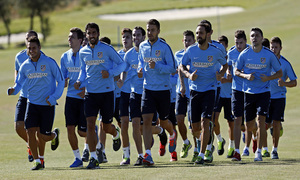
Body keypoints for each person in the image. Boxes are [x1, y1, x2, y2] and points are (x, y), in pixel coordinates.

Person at [74, 22, 125, 169]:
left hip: (107, 93)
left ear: (98, 34)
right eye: (89, 33)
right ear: (86, 35)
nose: (91, 36)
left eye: (94, 33)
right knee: (90, 125)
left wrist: (110, 73)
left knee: (106, 126)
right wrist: (79, 81)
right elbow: (83, 71)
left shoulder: (107, 49)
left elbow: (122, 65)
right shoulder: (83, 52)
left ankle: (115, 133)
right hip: (90, 93)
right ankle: (94, 158)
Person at [8, 36, 63, 170]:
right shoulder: (25, 65)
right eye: (29, 48)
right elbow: (19, 83)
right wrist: (13, 90)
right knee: (30, 131)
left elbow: (60, 81)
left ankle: (54, 135)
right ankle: (37, 161)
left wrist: (54, 97)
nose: (31, 51)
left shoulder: (49, 62)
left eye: (34, 48)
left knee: (44, 136)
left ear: (39, 48)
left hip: (47, 105)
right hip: (31, 104)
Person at [181, 23, 228, 165]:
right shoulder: (190, 50)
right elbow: (182, 66)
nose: (198, 35)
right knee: (195, 128)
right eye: (196, 33)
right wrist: (189, 75)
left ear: (207, 34)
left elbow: (225, 64)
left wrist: (220, 74)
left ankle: (202, 154)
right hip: (195, 90)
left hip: (210, 89)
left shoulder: (215, 51)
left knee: (205, 122)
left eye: (200, 33)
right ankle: (206, 143)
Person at [235, 28, 282, 162]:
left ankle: (259, 152)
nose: (254, 38)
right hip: (249, 93)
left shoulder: (268, 54)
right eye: (252, 36)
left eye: (257, 36)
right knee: (249, 125)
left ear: (261, 38)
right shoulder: (244, 54)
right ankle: (256, 136)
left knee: (261, 121)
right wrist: (246, 75)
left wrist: (268, 78)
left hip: (264, 92)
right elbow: (236, 71)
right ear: (250, 39)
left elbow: (279, 73)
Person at [137, 19, 176, 165]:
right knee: (146, 121)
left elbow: (172, 68)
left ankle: (172, 134)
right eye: (148, 30)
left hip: (163, 90)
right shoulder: (142, 46)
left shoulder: (165, 47)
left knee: (164, 121)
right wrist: (139, 70)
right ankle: (148, 154)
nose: (150, 33)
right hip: (148, 89)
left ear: (158, 31)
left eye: (153, 30)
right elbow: (141, 62)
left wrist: (157, 66)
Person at [14, 30, 46, 165]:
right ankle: (30, 144)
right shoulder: (19, 56)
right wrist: (16, 86)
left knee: (38, 131)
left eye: (31, 40)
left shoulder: (43, 57)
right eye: (27, 39)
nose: (29, 42)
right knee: (18, 126)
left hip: (37, 98)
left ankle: (40, 157)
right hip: (24, 96)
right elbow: (17, 73)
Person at [60, 27, 89, 168]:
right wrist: (63, 81)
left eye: (72, 37)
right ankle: (78, 159)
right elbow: (62, 77)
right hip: (71, 97)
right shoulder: (64, 56)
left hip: (85, 97)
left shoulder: (87, 55)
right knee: (70, 128)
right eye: (68, 37)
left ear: (80, 40)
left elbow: (93, 75)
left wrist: (86, 88)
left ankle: (92, 143)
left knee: (82, 131)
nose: (69, 39)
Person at [199, 20, 227, 162]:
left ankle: (209, 150)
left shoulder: (218, 47)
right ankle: (219, 139)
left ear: (210, 33)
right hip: (199, 88)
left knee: (211, 120)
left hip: (214, 87)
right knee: (204, 121)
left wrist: (221, 74)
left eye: (205, 31)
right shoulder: (196, 47)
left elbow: (225, 64)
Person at [266, 36, 297, 159]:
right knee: (265, 125)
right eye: (271, 47)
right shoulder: (265, 61)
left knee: (276, 122)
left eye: (276, 47)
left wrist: (284, 83)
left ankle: (274, 150)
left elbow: (294, 82)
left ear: (281, 48)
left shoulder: (285, 63)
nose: (273, 49)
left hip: (279, 97)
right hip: (266, 96)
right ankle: (263, 149)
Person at [227, 30, 249, 161]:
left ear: (246, 41)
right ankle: (236, 151)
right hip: (236, 90)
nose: (239, 46)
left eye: (241, 43)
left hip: (251, 90)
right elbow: (228, 66)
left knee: (251, 123)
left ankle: (252, 135)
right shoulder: (231, 52)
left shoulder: (251, 52)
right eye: (236, 43)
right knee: (237, 119)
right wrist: (229, 73)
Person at [213, 35, 236, 158]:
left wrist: (226, 80)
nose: (220, 47)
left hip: (229, 94)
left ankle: (231, 146)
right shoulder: (215, 57)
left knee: (230, 122)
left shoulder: (231, 57)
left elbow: (234, 78)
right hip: (217, 94)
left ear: (226, 46)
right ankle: (220, 139)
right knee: (214, 119)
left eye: (222, 45)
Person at [175, 30, 195, 161]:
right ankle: (186, 142)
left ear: (194, 41)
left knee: (193, 124)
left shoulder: (197, 55)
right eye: (185, 40)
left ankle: (198, 150)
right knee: (179, 119)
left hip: (193, 92)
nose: (187, 43)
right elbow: (177, 70)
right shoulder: (178, 55)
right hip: (180, 92)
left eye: (189, 40)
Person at [117, 28, 134, 165]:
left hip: (137, 93)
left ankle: (160, 131)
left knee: (138, 127)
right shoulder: (117, 55)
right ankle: (126, 155)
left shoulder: (138, 53)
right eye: (123, 37)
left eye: (128, 37)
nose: (125, 39)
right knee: (123, 124)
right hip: (123, 93)